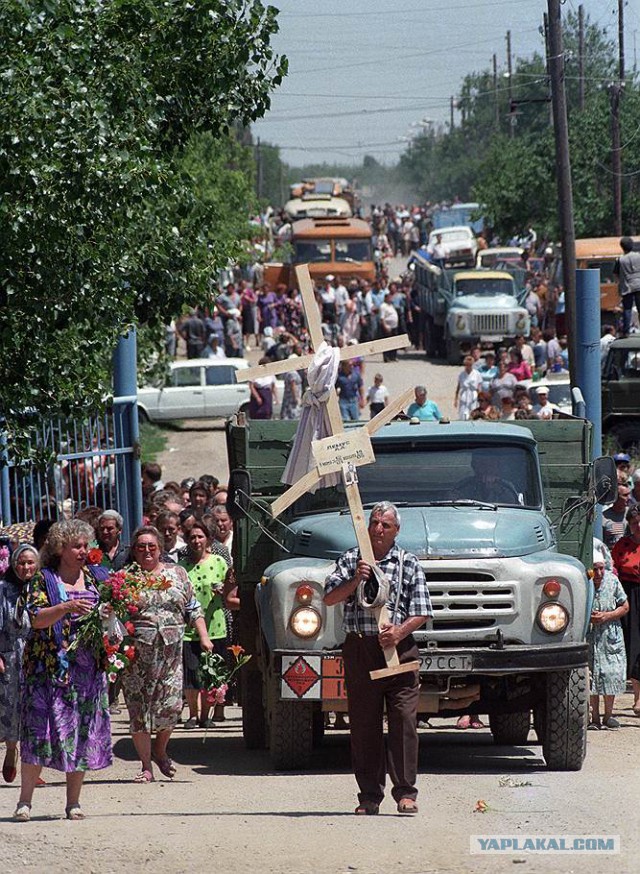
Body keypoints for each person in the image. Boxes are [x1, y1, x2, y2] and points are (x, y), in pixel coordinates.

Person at [323, 502, 432, 815]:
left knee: (404, 720)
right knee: (364, 724)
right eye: (374, 523)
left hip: (399, 651)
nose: (378, 529)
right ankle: (369, 796)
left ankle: (406, 794)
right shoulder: (350, 559)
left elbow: (422, 609)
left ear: (396, 530)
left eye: (385, 524)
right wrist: (356, 579)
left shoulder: (407, 562)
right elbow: (329, 597)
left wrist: (398, 633)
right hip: (361, 650)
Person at [15, 520, 112, 822]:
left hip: (87, 673)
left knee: (81, 735)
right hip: (48, 671)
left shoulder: (97, 579)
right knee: (38, 734)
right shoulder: (44, 580)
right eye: (77, 546)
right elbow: (36, 619)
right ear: (60, 549)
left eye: (86, 545)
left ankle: (73, 803)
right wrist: (66, 608)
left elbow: (111, 619)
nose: (84, 551)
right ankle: (25, 802)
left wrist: (110, 617)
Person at [120, 526, 213, 783]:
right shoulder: (124, 577)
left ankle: (160, 751)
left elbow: (194, 607)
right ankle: (146, 765)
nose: (147, 551)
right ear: (134, 551)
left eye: (151, 546)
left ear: (160, 548)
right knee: (139, 711)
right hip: (136, 655)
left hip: (171, 652)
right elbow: (113, 613)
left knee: (172, 706)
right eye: (141, 547)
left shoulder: (178, 573)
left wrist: (203, 636)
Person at [179, 520, 229, 728]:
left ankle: (206, 715)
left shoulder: (219, 562)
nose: (196, 541)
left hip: (215, 626)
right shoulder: (181, 567)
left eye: (200, 536)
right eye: (192, 537)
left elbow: (231, 590)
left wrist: (223, 591)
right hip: (189, 629)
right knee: (192, 673)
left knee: (211, 673)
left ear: (208, 539)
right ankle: (192, 714)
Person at [0, 545, 38, 785]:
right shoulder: (4, 589)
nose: (26, 567)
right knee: (12, 708)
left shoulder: (43, 587)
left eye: (30, 563)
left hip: (39, 655)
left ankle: (32, 765)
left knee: (37, 709)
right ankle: (12, 749)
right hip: (11, 654)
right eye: (21, 563)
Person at [588, 548, 629, 730]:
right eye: (595, 569)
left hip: (609, 633)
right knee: (591, 672)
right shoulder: (585, 583)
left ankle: (609, 715)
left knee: (611, 671)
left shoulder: (612, 581)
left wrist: (608, 616)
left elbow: (625, 606)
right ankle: (594, 716)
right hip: (590, 634)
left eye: (601, 569)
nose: (598, 573)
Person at [612, 504, 640, 714]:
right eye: (634, 522)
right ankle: (638, 698)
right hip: (629, 595)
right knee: (633, 644)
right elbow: (613, 570)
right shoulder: (622, 545)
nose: (638, 526)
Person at [615, 236, 640, 337]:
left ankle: (626, 331)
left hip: (627, 287)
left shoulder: (620, 260)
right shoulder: (639, 256)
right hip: (639, 285)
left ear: (622, 247)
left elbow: (616, 274)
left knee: (627, 309)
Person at [455, 355, 483, 421]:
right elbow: (458, 387)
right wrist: (456, 399)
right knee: (463, 412)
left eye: (470, 365)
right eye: (467, 365)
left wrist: (480, 398)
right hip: (464, 395)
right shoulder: (461, 374)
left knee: (473, 411)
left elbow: (479, 387)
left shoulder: (477, 373)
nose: (468, 366)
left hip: (473, 394)